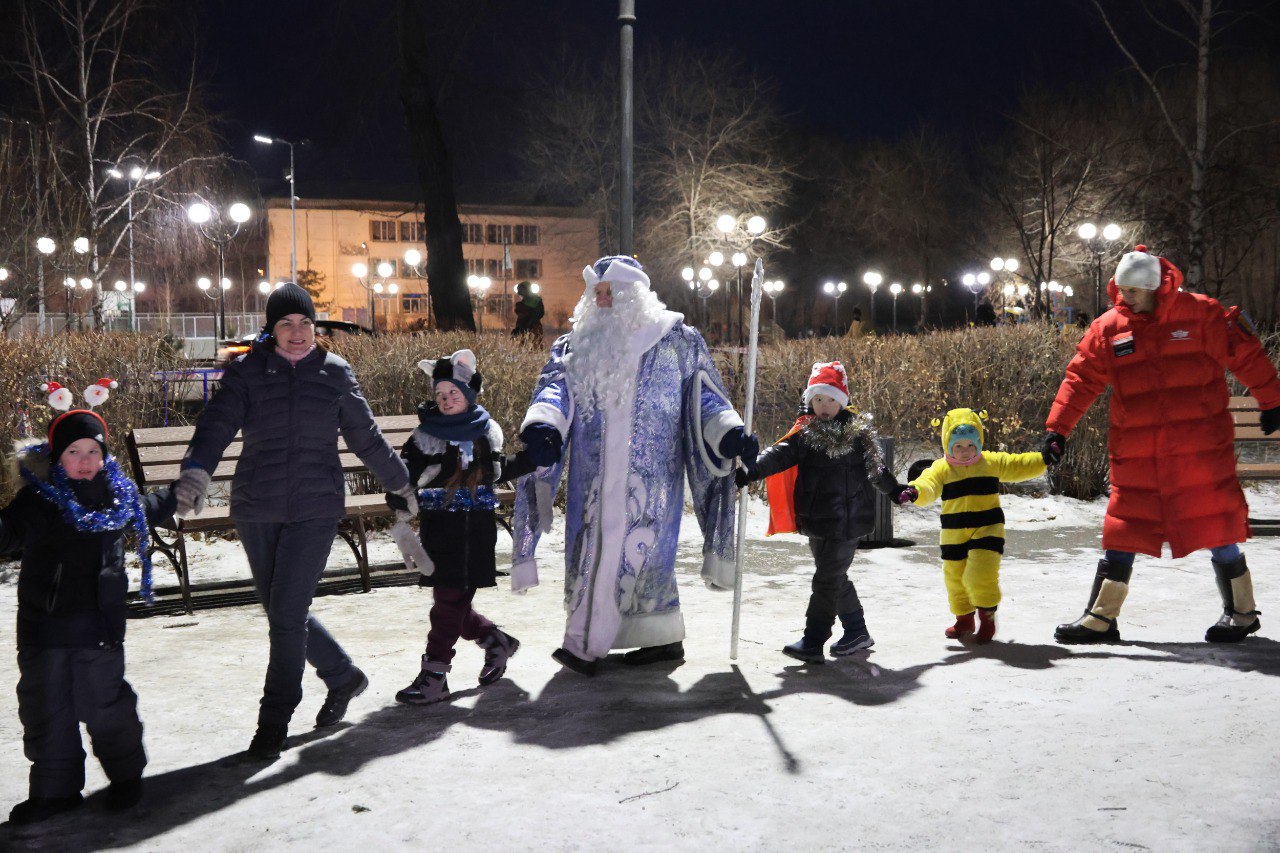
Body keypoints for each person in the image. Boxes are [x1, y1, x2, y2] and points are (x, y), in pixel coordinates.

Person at [173, 283, 417, 759]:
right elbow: (216, 425)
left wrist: (400, 483)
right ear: (272, 328)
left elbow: (366, 437)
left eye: (305, 322)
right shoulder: (247, 372)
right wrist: (197, 471)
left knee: (285, 615)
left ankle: (274, 719)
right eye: (286, 323)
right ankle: (343, 676)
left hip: (314, 508)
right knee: (283, 611)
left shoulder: (334, 372)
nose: (298, 332)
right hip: (257, 506)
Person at [512, 255, 758, 676]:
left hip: (652, 477)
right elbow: (555, 389)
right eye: (596, 291)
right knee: (590, 549)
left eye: (609, 290)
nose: (601, 298)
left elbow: (704, 397)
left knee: (647, 556)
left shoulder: (677, 341)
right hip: (593, 475)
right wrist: (544, 425)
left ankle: (640, 640)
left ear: (633, 293)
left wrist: (728, 431)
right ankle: (607, 638)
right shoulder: (575, 344)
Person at [1045, 245, 1280, 644]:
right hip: (1137, 450)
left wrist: (1272, 400)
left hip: (1198, 449)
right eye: (1121, 289)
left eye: (1133, 290)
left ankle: (1242, 612)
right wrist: (1058, 430)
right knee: (1124, 527)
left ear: (1155, 286)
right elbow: (1081, 379)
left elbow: (1245, 353)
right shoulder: (1109, 328)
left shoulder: (1201, 314)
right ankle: (1101, 617)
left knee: (1215, 524)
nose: (1124, 297)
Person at [2, 382, 176, 824]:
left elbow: (150, 507)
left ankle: (126, 776)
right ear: (56, 457)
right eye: (74, 452)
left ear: (104, 455)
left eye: (93, 452)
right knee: (45, 708)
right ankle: (55, 791)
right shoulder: (38, 500)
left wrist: (183, 490)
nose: (84, 461)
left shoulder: (118, 497)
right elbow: (9, 531)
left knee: (106, 706)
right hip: (44, 628)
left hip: (99, 627)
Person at [388, 349, 537, 705]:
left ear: (469, 394)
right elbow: (405, 473)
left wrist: (531, 459)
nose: (446, 399)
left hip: (475, 531)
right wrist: (399, 493)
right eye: (440, 394)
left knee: (450, 600)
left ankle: (435, 673)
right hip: (439, 528)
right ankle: (494, 640)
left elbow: (496, 471)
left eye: (454, 392)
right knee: (449, 600)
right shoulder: (425, 436)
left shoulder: (486, 432)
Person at [735, 361, 897, 663]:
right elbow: (779, 454)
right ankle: (857, 631)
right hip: (818, 521)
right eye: (818, 399)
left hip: (847, 523)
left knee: (825, 581)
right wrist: (752, 471)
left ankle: (813, 641)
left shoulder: (857, 436)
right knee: (834, 577)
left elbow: (877, 471)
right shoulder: (806, 434)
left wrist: (896, 491)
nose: (824, 406)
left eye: (831, 399)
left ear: (842, 402)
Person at [888, 408, 1057, 643]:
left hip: (987, 528)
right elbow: (928, 485)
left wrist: (1044, 458)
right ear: (948, 445)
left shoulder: (990, 462)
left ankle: (987, 617)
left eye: (970, 444)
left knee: (980, 574)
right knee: (955, 577)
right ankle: (964, 620)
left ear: (979, 442)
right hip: (953, 533)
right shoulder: (942, 469)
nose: (965, 451)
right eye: (958, 446)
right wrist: (915, 491)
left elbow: (1018, 464)